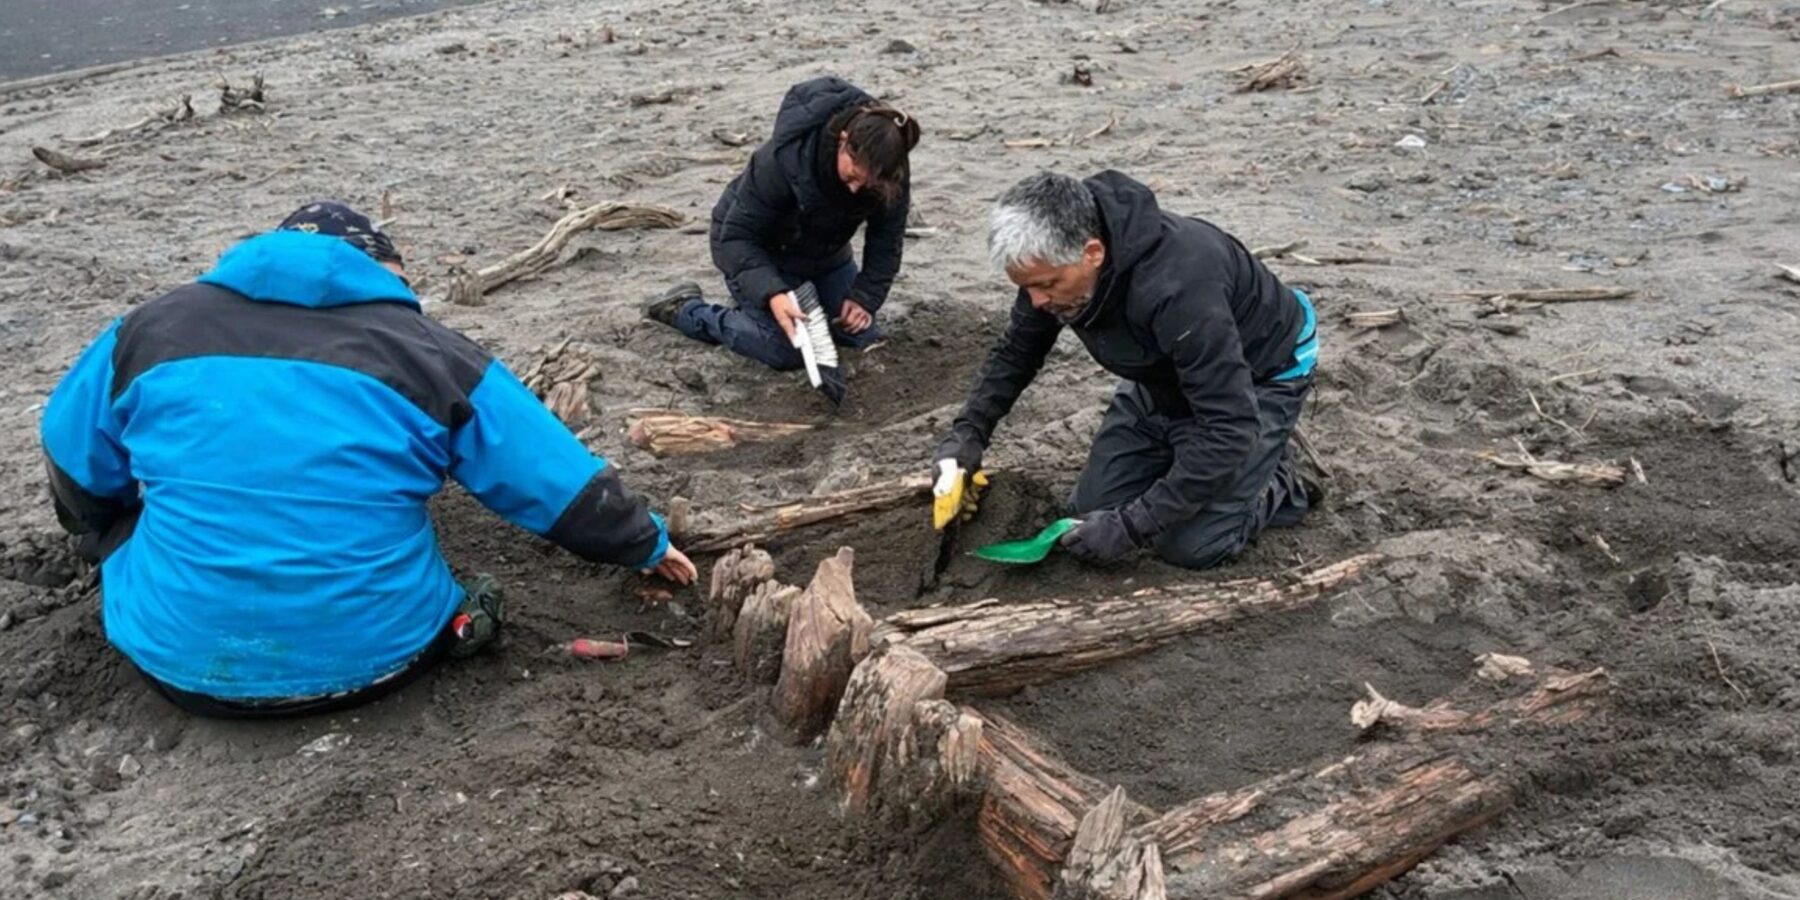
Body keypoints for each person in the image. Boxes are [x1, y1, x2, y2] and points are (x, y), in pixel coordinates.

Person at [39, 201, 697, 718]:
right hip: (381, 663)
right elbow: (553, 481)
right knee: (442, 572)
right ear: (382, 275)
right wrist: (642, 543)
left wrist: (104, 530)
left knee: (132, 523)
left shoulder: (146, 331)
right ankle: (464, 618)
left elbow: (71, 457)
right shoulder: (428, 350)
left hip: (173, 665)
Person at [933, 171, 1322, 570]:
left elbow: (1229, 425)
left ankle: (1276, 482)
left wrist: (1133, 526)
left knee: (1191, 545)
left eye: (1046, 285)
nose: (1035, 301)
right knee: (1088, 513)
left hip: (1261, 376)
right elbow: (1017, 351)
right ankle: (1207, 457)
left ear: (1093, 253)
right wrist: (967, 437)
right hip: (1162, 375)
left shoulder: (1179, 288)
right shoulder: (1048, 265)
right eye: (1026, 286)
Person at [642, 75, 921, 373]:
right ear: (844, 141)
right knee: (784, 351)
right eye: (852, 177)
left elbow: (886, 244)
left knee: (860, 336)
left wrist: (864, 298)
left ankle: (762, 310)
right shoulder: (783, 160)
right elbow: (735, 239)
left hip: (826, 259)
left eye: (867, 184)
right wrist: (774, 294)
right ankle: (686, 310)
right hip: (757, 251)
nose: (855, 189)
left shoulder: (890, 174)